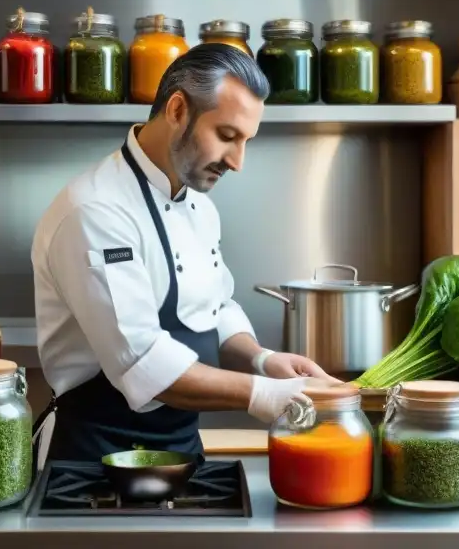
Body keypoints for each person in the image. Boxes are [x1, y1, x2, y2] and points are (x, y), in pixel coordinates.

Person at [31, 43, 336, 464]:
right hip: (96, 455)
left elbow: (215, 307)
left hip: (181, 449)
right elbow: (144, 364)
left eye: (246, 140)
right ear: (177, 110)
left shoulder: (199, 207)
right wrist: (263, 395)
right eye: (227, 136)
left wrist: (262, 360)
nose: (238, 161)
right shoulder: (96, 211)